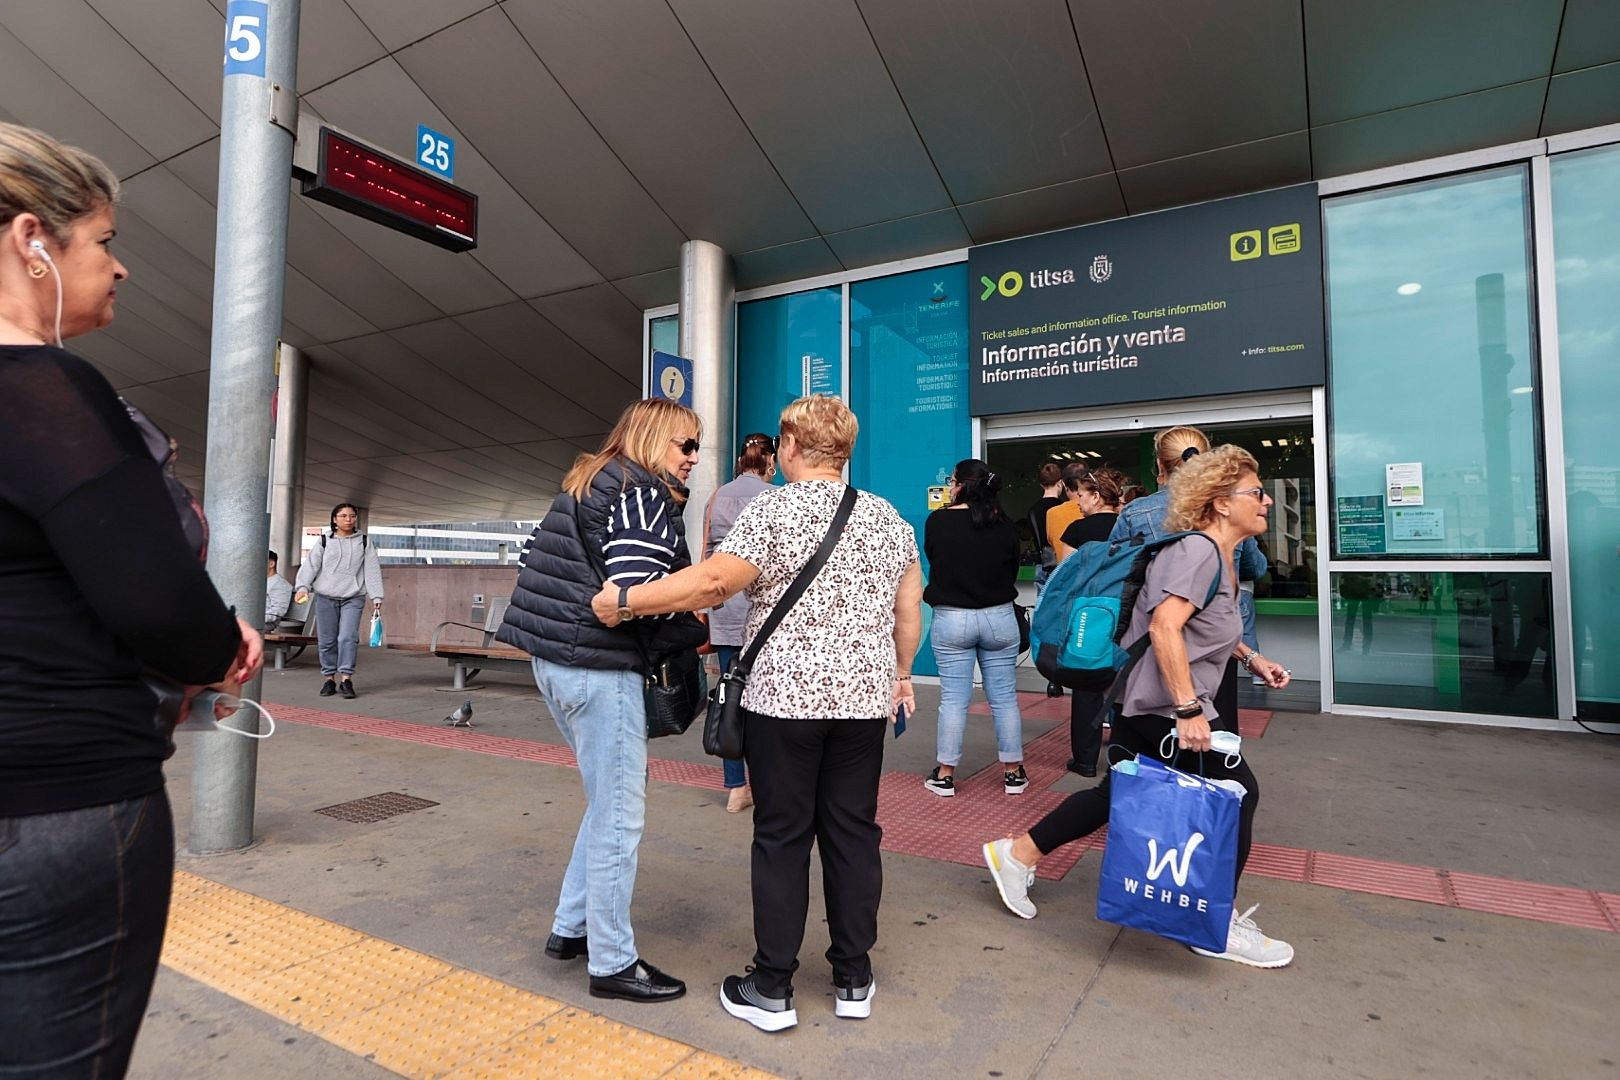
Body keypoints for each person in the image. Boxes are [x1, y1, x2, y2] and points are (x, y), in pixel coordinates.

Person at [0, 121, 262, 1077]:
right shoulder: (43, 390)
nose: (120, 269)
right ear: (33, 239)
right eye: (103, 241)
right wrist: (221, 643)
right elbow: (157, 602)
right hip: (54, 801)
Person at [590, 395, 922, 1032]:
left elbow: (714, 584)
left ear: (791, 446)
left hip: (784, 706)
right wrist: (901, 675)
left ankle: (771, 986)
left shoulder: (772, 509)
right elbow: (910, 611)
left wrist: (626, 600)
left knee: (782, 836)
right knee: (854, 834)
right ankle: (854, 977)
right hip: (861, 704)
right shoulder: (888, 519)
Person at [982, 445, 1296, 969]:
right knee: (1239, 794)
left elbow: (1196, 620)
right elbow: (1164, 626)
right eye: (1255, 492)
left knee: (1120, 792)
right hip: (1162, 707)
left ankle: (1017, 856)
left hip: (1146, 704)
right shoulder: (1197, 551)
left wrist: (1251, 656)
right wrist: (1190, 709)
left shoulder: (1212, 554)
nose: (1266, 501)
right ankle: (1212, 922)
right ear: (1221, 503)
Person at [497, 398, 708, 1004]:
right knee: (620, 814)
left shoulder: (591, 481)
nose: (693, 457)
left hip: (554, 659)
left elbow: (537, 562)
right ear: (650, 439)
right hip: (597, 667)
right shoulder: (641, 494)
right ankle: (612, 962)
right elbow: (626, 598)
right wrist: (692, 608)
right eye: (684, 444)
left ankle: (572, 927)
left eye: (696, 446)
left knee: (605, 797)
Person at [1109, 426, 1264, 733]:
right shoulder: (1226, 510)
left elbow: (1117, 568)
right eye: (1257, 493)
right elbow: (1254, 568)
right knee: (1216, 731)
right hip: (1211, 629)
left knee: (1146, 738)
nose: (1264, 502)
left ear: (1160, 466)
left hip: (1145, 637)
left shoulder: (1137, 511)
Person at [922, 458, 1027, 798]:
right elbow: (1011, 570)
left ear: (961, 485)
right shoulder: (1005, 524)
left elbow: (936, 559)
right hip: (999, 618)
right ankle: (1013, 772)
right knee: (1004, 699)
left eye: (952, 480)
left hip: (953, 619)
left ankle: (945, 773)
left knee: (953, 700)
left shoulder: (938, 522)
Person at [703, 432, 778, 813]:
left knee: (730, 697)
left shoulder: (716, 497)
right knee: (766, 700)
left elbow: (706, 557)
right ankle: (769, 786)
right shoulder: (776, 499)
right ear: (770, 462)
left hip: (724, 609)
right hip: (765, 613)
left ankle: (735, 786)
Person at [1053, 466, 1130, 775]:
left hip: (1088, 614)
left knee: (1086, 683)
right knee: (1125, 683)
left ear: (1097, 497)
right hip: (1125, 611)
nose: (1078, 502)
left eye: (1082, 495)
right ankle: (1124, 758)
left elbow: (1066, 576)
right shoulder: (1129, 526)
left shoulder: (1077, 531)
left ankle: (1085, 760)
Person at [293, 502, 384, 699]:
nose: (348, 519)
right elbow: (311, 566)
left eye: (352, 516)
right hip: (325, 596)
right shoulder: (324, 540)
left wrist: (376, 595)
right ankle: (328, 679)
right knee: (326, 640)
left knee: (347, 637)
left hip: (354, 596)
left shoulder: (364, 542)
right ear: (335, 519)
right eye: (343, 516)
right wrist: (302, 587)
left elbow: (372, 569)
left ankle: (346, 679)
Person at [1025, 462, 1067, 698]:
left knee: (1045, 622)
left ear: (1041, 483)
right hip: (1062, 566)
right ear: (1061, 483)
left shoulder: (1032, 510)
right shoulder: (1065, 509)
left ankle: (1051, 677)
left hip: (1043, 566)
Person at [265, 549, 293, 631]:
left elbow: (277, 612)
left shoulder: (280, 584)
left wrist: (254, 619)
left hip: (265, 623)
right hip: (254, 621)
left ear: (271, 564)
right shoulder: (261, 582)